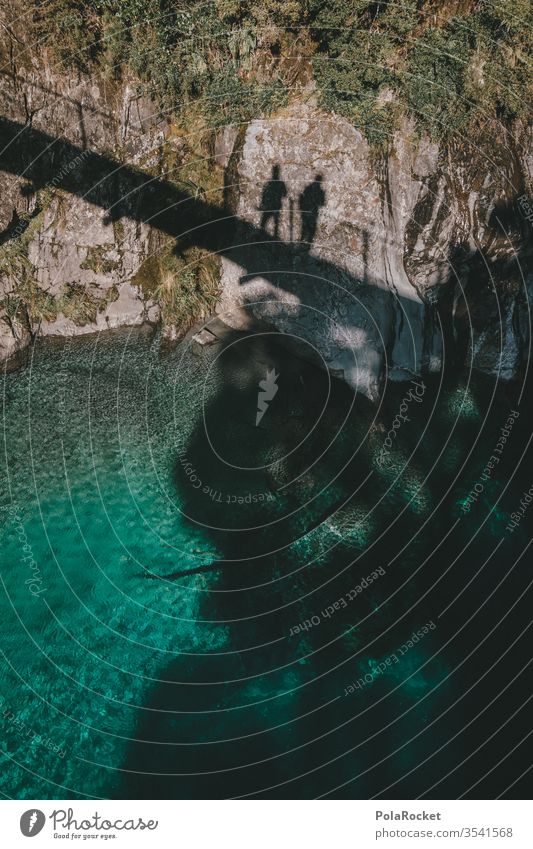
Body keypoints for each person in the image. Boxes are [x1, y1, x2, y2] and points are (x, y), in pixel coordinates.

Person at [259, 164, 287, 240]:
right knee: (276, 222)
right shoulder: (281, 183)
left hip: (270, 204)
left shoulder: (269, 183)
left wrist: (263, 203)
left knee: (264, 221)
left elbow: (264, 194)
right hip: (276, 204)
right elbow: (285, 194)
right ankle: (275, 236)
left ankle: (260, 235)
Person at [299, 174, 325, 249]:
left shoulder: (308, 188)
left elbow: (301, 197)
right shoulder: (321, 191)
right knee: (311, 228)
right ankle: (307, 245)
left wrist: (302, 208)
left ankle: (302, 242)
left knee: (305, 227)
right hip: (313, 212)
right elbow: (322, 203)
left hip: (306, 210)